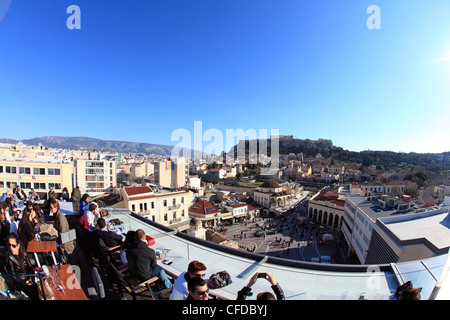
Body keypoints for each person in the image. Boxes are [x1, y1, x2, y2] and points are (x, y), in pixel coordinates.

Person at [4, 233, 39, 300]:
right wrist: (24, 282)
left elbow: (30, 267)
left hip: (28, 278)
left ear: (18, 246)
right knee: (35, 294)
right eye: (9, 245)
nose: (11, 248)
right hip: (20, 283)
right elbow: (13, 276)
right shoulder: (9, 257)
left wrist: (31, 278)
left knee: (41, 288)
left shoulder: (23, 253)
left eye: (13, 245)